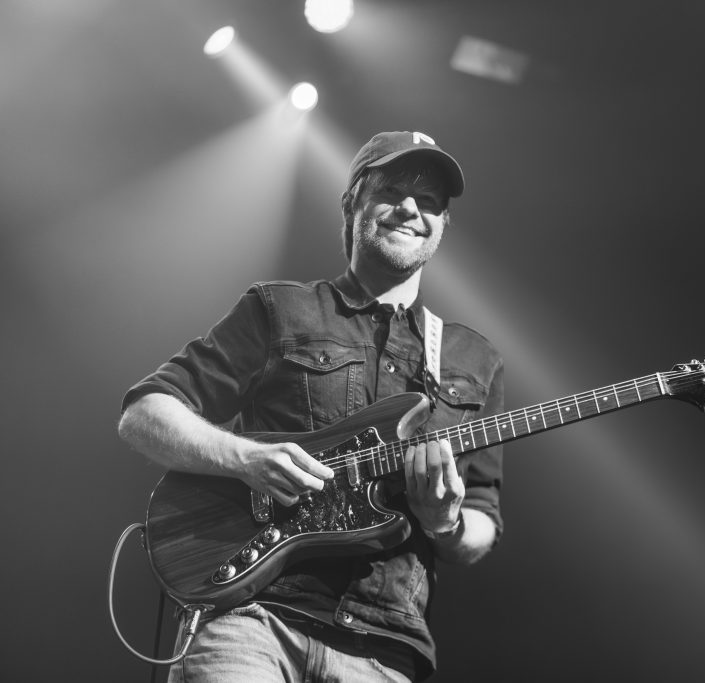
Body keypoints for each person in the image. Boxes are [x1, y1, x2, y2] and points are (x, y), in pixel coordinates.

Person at [118, 131, 504, 682]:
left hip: (382, 649)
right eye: (391, 191)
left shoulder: (475, 359)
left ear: (442, 224)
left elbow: (482, 518)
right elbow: (144, 413)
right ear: (352, 203)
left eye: (429, 202)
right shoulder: (281, 309)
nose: (410, 209)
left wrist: (446, 523)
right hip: (252, 618)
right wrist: (246, 459)